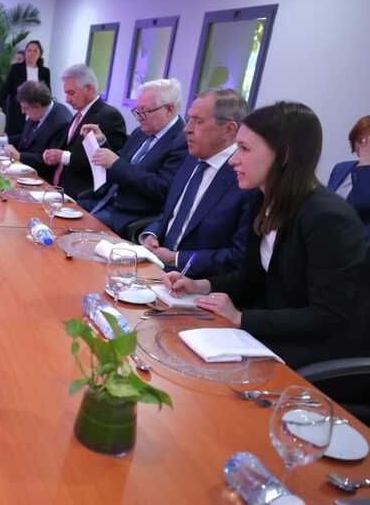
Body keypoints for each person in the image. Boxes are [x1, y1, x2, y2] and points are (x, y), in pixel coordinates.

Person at [166, 102, 370, 368]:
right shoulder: (261, 200)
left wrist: (242, 318)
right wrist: (200, 285)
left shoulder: (327, 217)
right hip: (271, 332)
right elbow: (253, 279)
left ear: (284, 155)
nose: (233, 160)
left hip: (316, 352)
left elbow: (328, 316)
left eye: (244, 149)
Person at [139, 89, 253, 277]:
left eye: (198, 121)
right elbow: (172, 214)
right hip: (155, 266)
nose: (187, 129)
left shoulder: (245, 178)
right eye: (189, 119)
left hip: (195, 281)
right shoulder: (192, 157)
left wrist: (176, 259)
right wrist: (152, 235)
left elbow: (238, 256)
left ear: (229, 129)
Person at [74, 78, 187, 237]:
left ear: (169, 109)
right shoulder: (140, 132)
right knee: (62, 209)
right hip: (105, 199)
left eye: (145, 111)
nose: (138, 117)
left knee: (76, 230)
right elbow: (120, 162)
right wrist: (102, 143)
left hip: (130, 214)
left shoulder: (182, 141)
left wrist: (116, 163)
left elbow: (161, 188)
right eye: (137, 111)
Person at [42, 63, 127, 199]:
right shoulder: (79, 113)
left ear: (89, 89)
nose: (67, 99)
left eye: (71, 93)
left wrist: (62, 156)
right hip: (57, 188)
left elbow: (107, 161)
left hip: (82, 195)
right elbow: (67, 146)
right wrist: (52, 154)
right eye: (66, 93)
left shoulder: (110, 116)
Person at [0, 81, 71, 182]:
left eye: (25, 108)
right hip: (23, 170)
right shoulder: (38, 113)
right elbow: (25, 138)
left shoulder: (61, 122)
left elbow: (50, 159)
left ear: (37, 106)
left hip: (41, 179)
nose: (22, 111)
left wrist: (19, 156)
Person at [0, 40, 51, 136]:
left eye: (35, 51)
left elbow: (48, 92)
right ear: (25, 53)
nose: (32, 53)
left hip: (36, 112)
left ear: (40, 54)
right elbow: (6, 88)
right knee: (14, 137)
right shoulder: (16, 68)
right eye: (29, 50)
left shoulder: (45, 71)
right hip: (17, 111)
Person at [327, 115, 370, 232]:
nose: (364, 145)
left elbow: (363, 206)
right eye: (360, 140)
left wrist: (366, 164)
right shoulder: (341, 168)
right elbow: (327, 202)